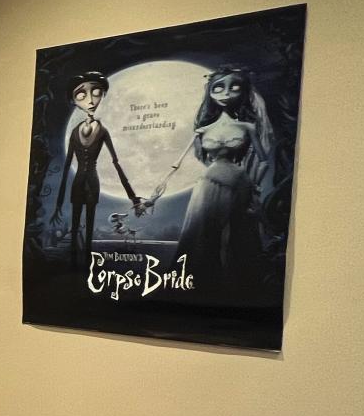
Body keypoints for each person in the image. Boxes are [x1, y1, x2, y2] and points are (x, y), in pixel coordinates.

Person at [146, 64, 276, 291]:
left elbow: (263, 160)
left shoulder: (247, 127)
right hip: (209, 182)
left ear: (244, 91)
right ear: (210, 92)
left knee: (236, 231)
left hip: (239, 181)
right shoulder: (203, 131)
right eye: (218, 88)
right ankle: (203, 281)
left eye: (234, 87)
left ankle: (236, 282)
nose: (226, 93)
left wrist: (253, 183)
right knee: (202, 229)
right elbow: (179, 162)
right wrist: (155, 195)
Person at [49, 70, 141, 270]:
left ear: (103, 96)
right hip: (77, 183)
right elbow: (67, 166)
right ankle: (74, 265)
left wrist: (133, 197)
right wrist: (58, 203)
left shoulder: (103, 131)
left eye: (96, 92)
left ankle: (87, 265)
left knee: (89, 225)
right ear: (74, 101)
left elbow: (116, 162)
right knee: (75, 225)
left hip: (93, 180)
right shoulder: (75, 131)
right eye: (81, 95)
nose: (90, 100)